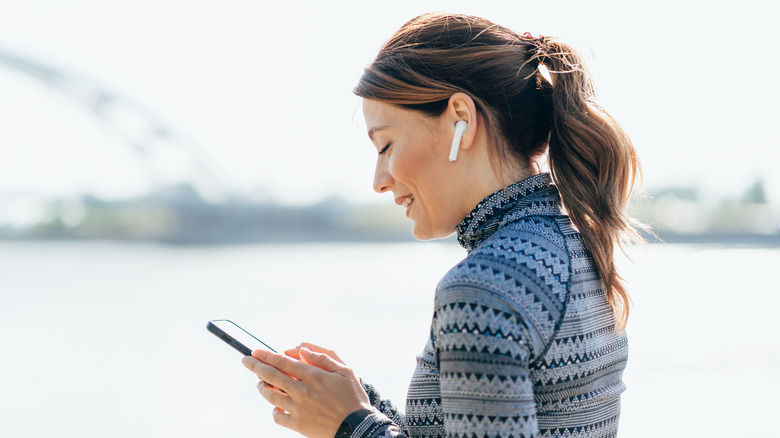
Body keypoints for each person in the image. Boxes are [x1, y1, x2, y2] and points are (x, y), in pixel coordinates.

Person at [242, 12, 642, 438]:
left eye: (386, 145)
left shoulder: (485, 286)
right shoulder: (575, 247)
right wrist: (359, 405)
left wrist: (350, 426)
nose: (379, 180)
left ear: (460, 120)